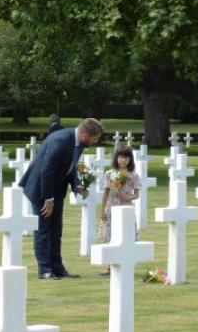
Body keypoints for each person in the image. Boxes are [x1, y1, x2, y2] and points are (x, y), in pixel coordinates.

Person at [19, 117, 104, 280]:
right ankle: (45, 270)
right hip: (41, 189)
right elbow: (47, 170)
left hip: (56, 188)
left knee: (56, 229)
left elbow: (69, 166)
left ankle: (57, 268)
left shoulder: (77, 142)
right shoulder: (60, 140)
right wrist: (48, 199)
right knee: (44, 229)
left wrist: (77, 185)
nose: (95, 142)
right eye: (95, 139)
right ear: (86, 136)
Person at [98, 145, 141, 275]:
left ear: (130, 159)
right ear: (116, 158)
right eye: (121, 157)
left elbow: (137, 194)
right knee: (110, 235)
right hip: (111, 207)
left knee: (125, 235)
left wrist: (127, 197)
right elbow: (106, 193)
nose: (123, 160)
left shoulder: (133, 175)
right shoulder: (109, 174)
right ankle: (110, 266)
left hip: (126, 207)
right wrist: (102, 210)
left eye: (126, 157)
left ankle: (125, 263)